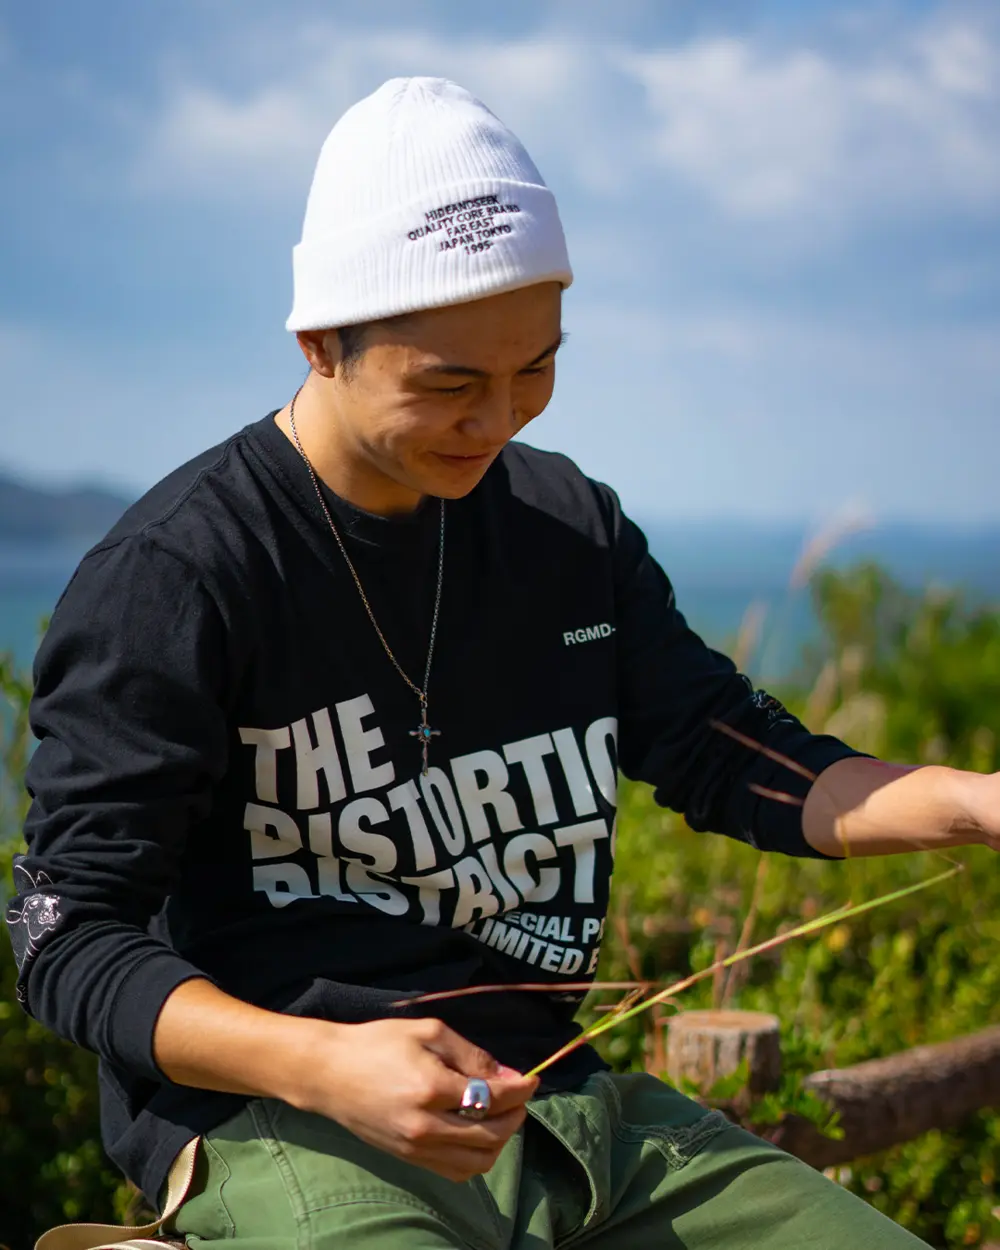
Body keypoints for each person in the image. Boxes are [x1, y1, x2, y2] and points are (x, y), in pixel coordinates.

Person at [7, 77, 999, 1250]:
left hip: (566, 1119)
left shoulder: (565, 528)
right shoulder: (179, 574)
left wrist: (974, 803)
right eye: (450, 383)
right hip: (284, 1127)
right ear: (321, 338)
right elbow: (65, 935)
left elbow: (730, 752)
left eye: (535, 367)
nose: (500, 419)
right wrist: (328, 1063)